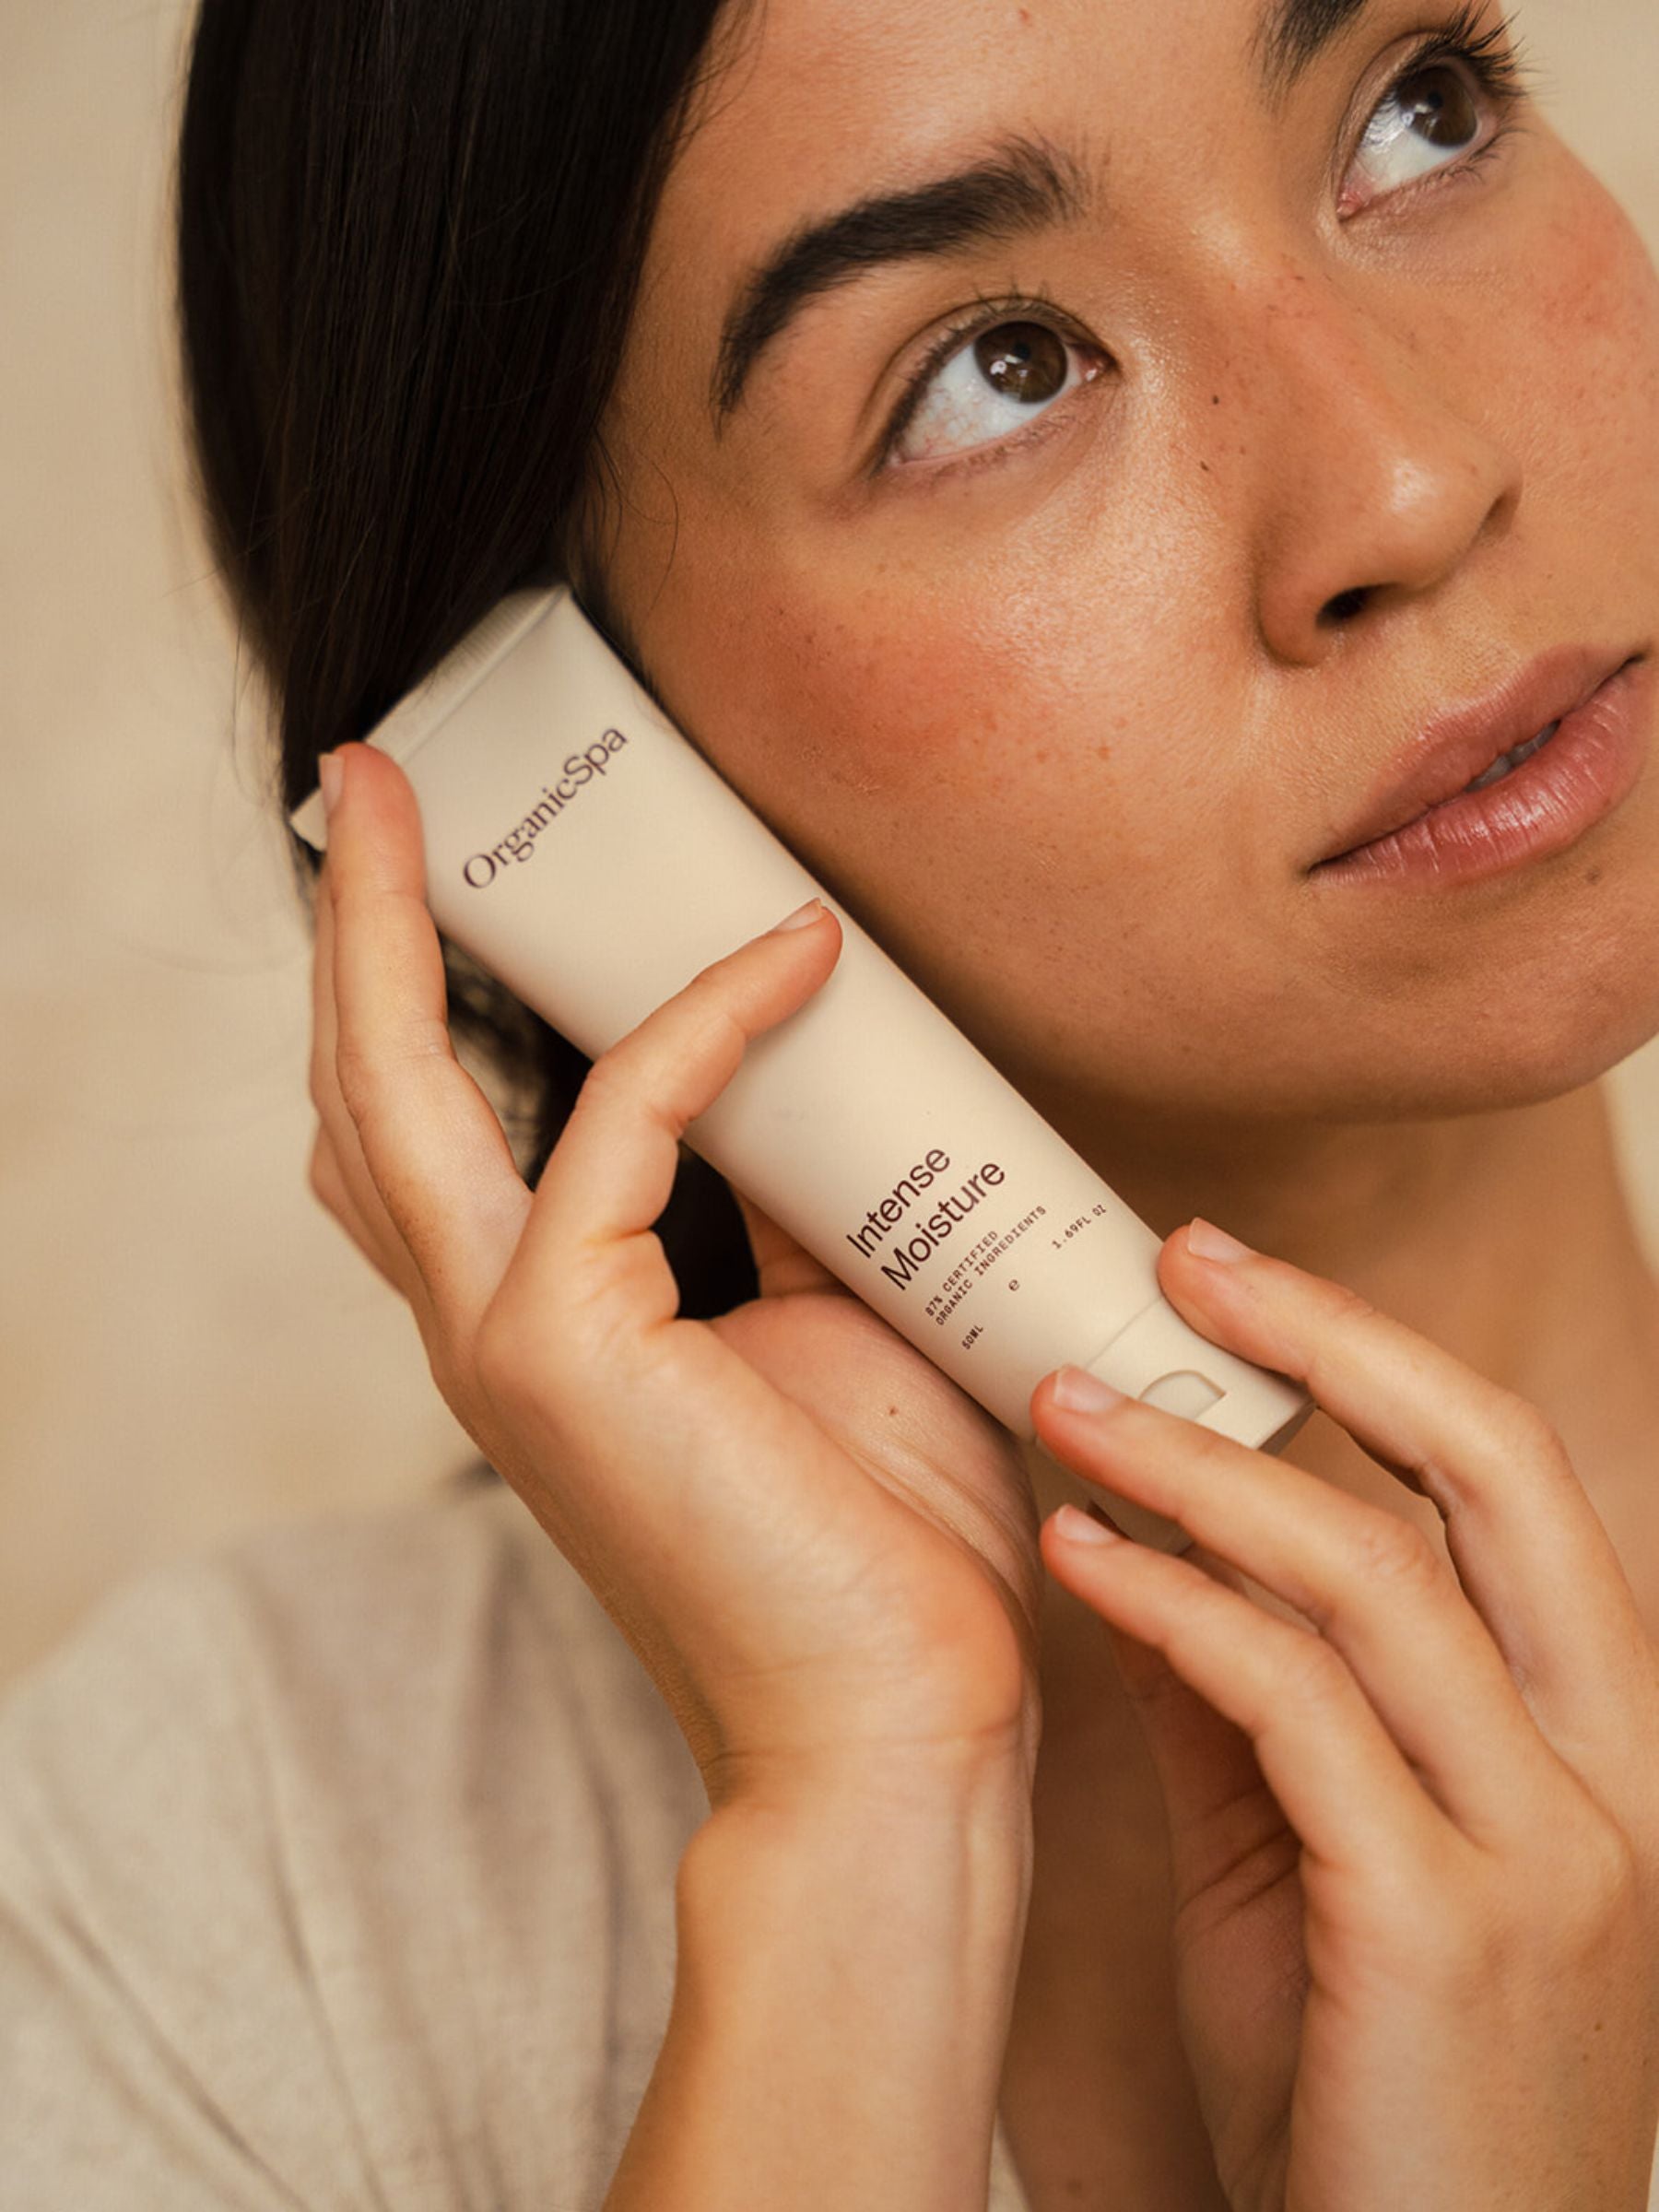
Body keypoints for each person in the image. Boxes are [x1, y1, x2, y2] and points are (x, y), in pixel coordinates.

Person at [4, 0, 1657, 2205]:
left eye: (1414, 112)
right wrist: (856, 1845)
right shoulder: (231, 1866)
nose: (1408, 479)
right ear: (573, 740)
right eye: (994, 366)